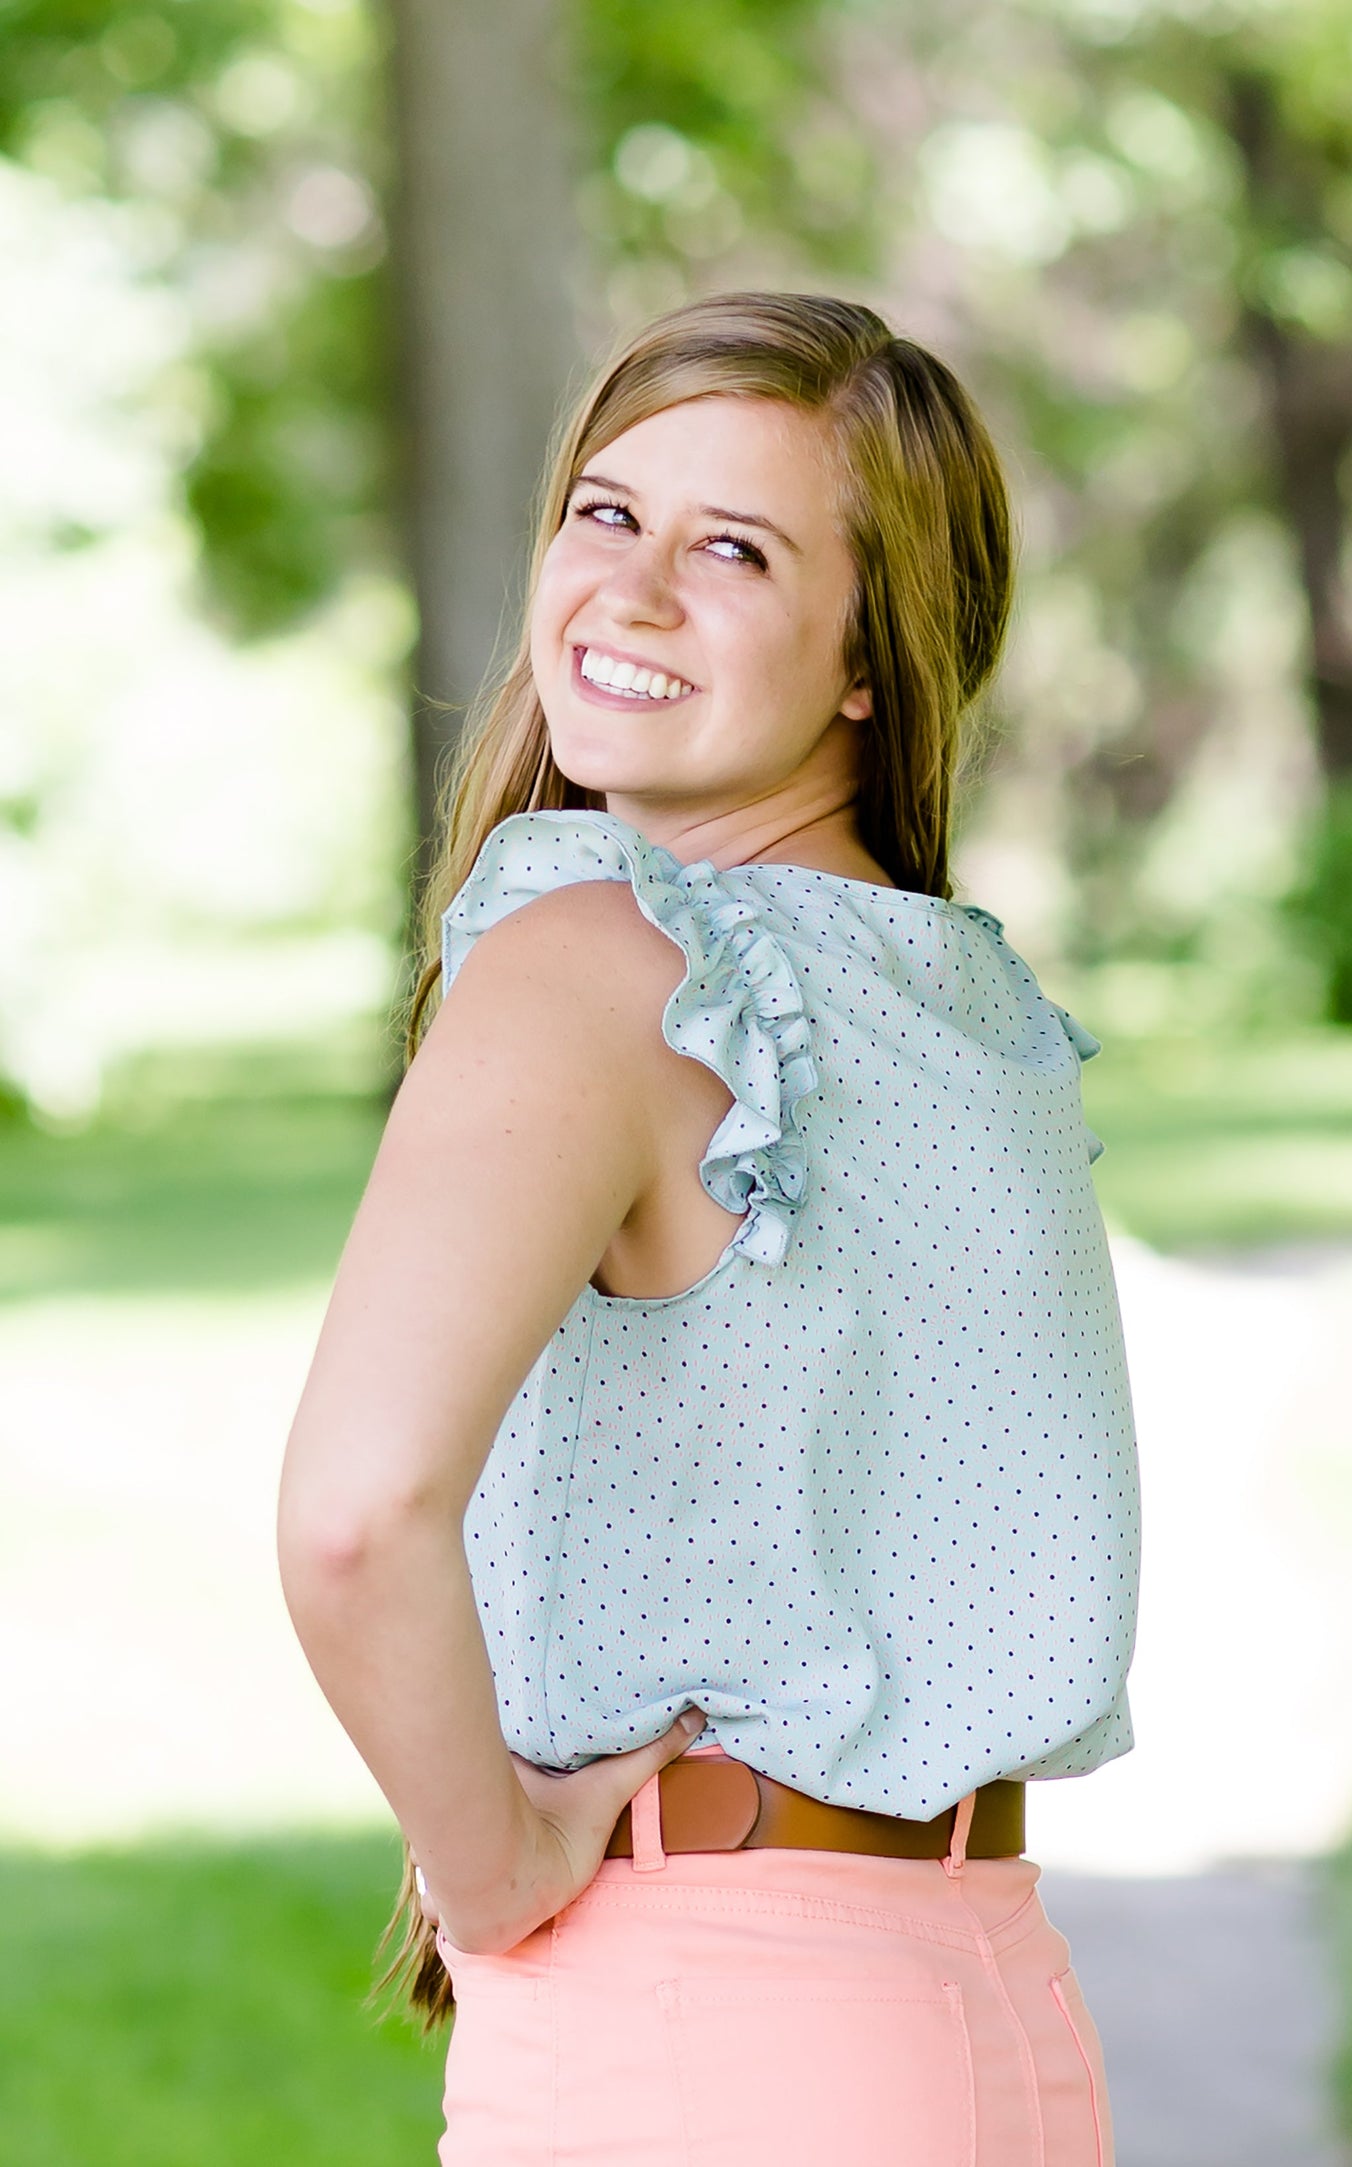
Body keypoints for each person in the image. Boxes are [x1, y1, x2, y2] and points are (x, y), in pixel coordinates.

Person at [278, 290, 1139, 2166]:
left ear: (866, 660)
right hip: (989, 2004)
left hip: (699, 2030)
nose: (633, 588)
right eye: (606, 512)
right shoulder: (967, 1003)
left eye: (732, 549)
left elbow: (354, 1524)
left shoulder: (602, 962)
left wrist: (491, 1867)